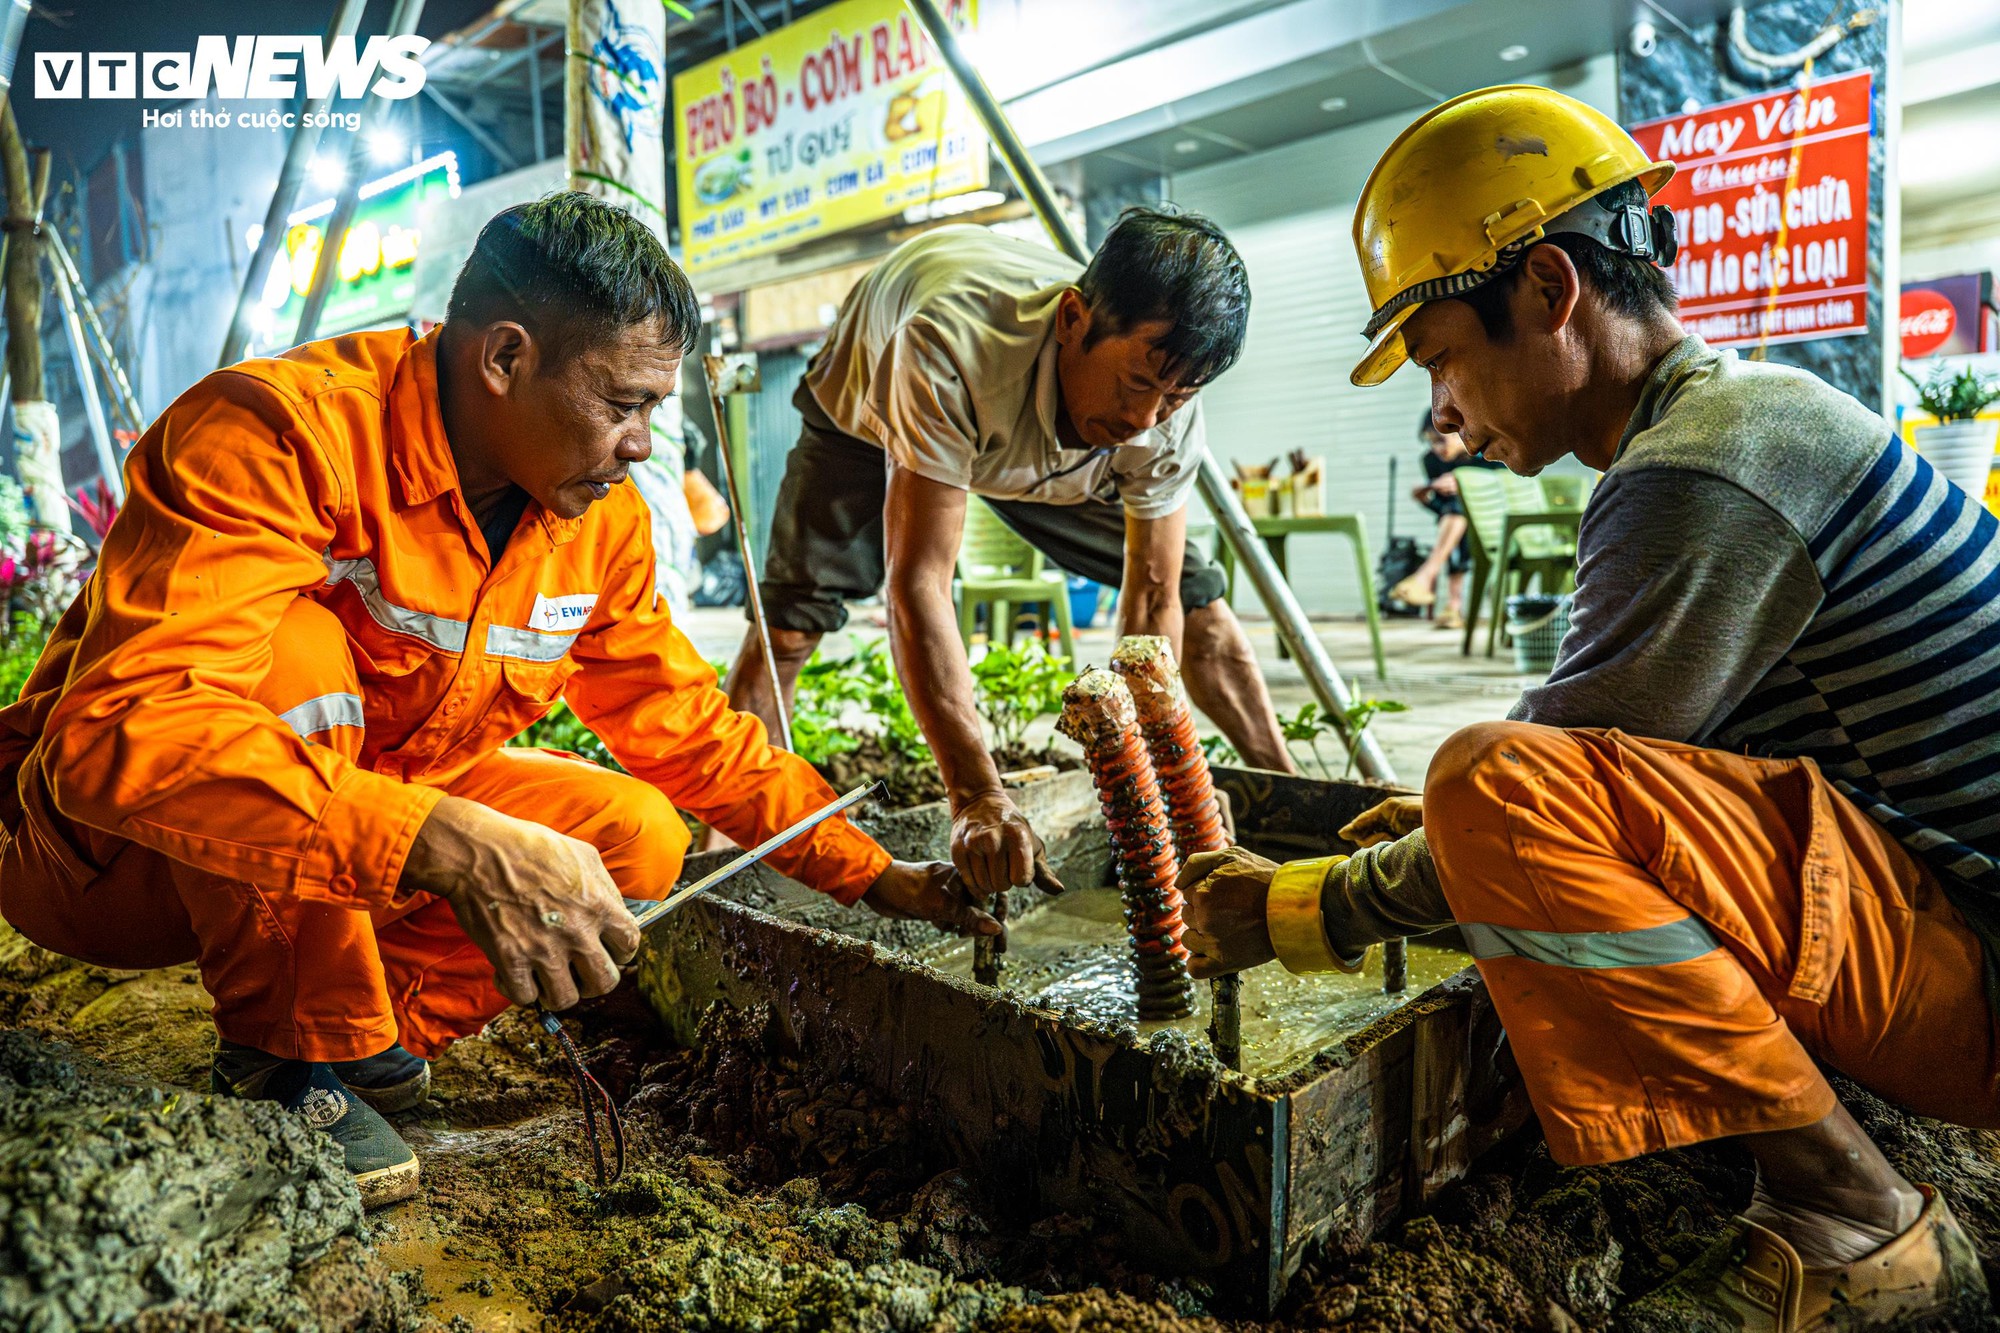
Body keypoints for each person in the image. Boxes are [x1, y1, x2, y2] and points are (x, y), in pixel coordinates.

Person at [1180, 86, 1997, 1330]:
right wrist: (1445, 828)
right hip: (1952, 922)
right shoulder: (1739, 422)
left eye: (1444, 355)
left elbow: (1530, 779)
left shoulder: (1704, 468)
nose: (1440, 413)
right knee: (1480, 793)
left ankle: (1850, 1221)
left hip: (1979, 982)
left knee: (1486, 785)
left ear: (1551, 292)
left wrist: (1299, 906)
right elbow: (1623, 757)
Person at [0, 194, 993, 1208]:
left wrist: (875, 878)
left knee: (635, 836)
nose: (645, 444)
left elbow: (686, 723)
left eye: (656, 409)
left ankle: (364, 1040)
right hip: (109, 861)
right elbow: (124, 736)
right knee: (293, 653)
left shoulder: (592, 524)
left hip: (343, 837)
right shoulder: (275, 434)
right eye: (624, 403)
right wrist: (449, 839)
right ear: (505, 358)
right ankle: (285, 1053)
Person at [721, 208, 1295, 901]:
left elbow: (1152, 603)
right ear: (1073, 319)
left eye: (1176, 395)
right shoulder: (948, 342)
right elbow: (920, 585)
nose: (1148, 418)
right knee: (789, 624)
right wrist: (976, 795)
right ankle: (722, 850)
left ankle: (1291, 802)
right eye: (1139, 383)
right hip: (873, 398)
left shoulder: (1161, 416)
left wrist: (1161, 787)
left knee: (1197, 601)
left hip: (1047, 438)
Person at [1389, 410, 1502, 629]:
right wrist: (1426, 500)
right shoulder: (1432, 462)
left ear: (1459, 432)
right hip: (1458, 525)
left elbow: (1508, 488)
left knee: (1459, 508)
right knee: (1456, 511)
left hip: (1494, 521)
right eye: (1430, 442)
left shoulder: (1489, 454)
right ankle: (1451, 604)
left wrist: (1468, 483)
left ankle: (1431, 580)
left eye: (1440, 440)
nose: (1436, 449)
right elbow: (1443, 510)